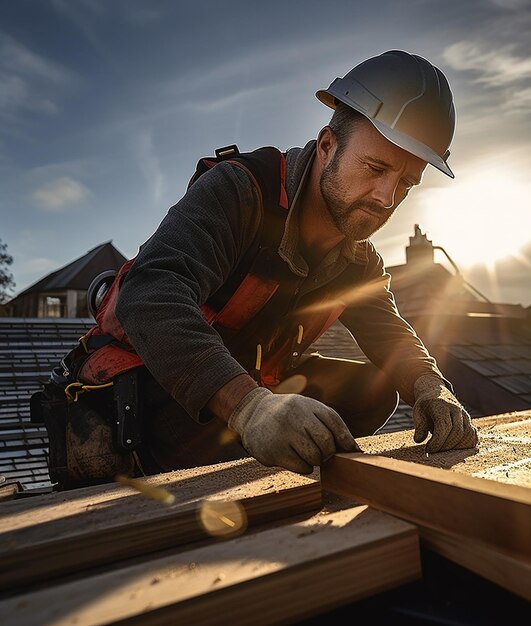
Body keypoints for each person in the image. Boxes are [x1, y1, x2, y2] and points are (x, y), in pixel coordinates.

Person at [33, 49, 478, 489]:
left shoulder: (356, 254)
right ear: (327, 145)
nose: (386, 197)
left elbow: (389, 331)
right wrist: (250, 408)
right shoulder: (239, 193)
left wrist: (430, 386)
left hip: (248, 387)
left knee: (376, 388)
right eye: (375, 168)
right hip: (148, 400)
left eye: (405, 183)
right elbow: (150, 295)